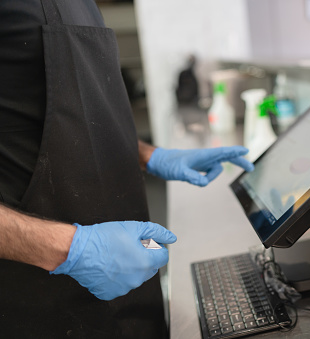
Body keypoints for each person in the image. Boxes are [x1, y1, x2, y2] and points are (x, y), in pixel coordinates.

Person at [0, 1, 253, 338]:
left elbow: (72, 117)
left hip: (129, 284)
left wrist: (151, 155)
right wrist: (70, 250)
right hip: (36, 293)